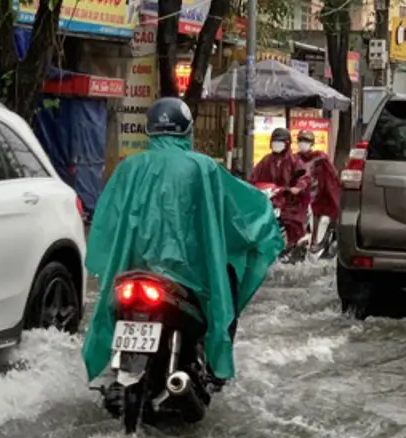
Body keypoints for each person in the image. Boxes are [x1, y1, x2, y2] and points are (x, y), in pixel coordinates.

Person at [81, 98, 283, 384]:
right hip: (189, 277)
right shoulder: (202, 167)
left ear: (150, 131)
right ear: (187, 131)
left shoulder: (129, 168)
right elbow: (236, 216)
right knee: (225, 286)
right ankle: (212, 372)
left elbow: (106, 223)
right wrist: (263, 217)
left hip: (134, 271)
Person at [250, 126, 309, 247]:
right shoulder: (267, 160)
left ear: (287, 144)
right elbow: (254, 176)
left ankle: (295, 244)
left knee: (292, 220)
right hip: (271, 197)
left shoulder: (294, 160)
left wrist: (297, 187)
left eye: (279, 142)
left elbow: (305, 176)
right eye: (274, 142)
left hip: (289, 199)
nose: (276, 145)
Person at [295, 129, 341, 246]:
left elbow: (331, 174)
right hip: (299, 194)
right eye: (301, 140)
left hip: (317, 194)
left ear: (311, 143)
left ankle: (315, 240)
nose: (303, 143)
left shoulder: (319, 157)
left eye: (306, 141)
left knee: (316, 213)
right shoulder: (295, 158)